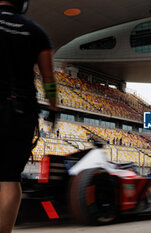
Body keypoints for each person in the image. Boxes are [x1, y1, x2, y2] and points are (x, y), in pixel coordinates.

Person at [0, 0, 57, 232]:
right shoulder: (36, 31)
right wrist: (53, 108)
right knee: (9, 178)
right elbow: (49, 79)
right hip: (19, 111)